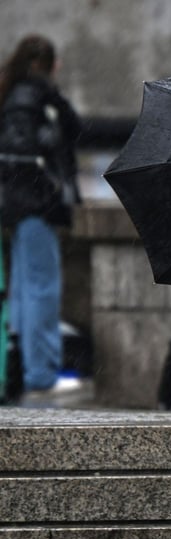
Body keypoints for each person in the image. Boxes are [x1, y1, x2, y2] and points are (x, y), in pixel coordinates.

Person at [0, 34, 81, 399]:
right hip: (35, 205)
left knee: (21, 289)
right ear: (47, 65)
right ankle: (41, 374)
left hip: (17, 207)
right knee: (42, 289)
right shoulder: (34, 100)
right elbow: (54, 142)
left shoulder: (13, 94)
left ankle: (16, 369)